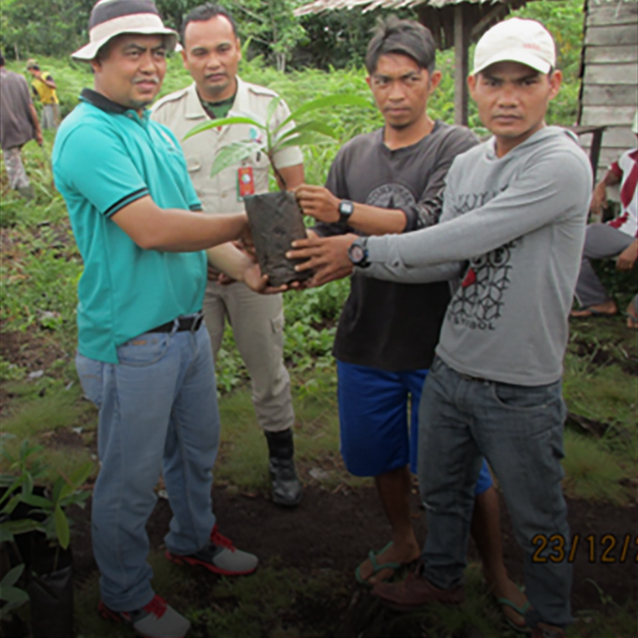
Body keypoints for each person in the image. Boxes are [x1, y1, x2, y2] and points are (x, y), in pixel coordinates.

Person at [313, 18, 591, 638]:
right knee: (442, 489)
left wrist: (357, 250)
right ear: (473, 85)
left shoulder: (560, 164)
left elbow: (466, 235)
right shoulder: (470, 166)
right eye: (495, 82)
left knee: (539, 514)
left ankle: (552, 615)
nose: (509, 97)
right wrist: (323, 263)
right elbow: (440, 259)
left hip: (519, 382)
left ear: (553, 85)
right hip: (451, 366)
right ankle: (440, 578)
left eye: (526, 82)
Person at [286, 17, 528, 631]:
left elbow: (431, 227)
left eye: (409, 80)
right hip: (368, 336)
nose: (396, 93)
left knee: (462, 470)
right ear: (369, 83)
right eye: (384, 81)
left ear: (434, 80)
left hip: (441, 343)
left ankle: (497, 570)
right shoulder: (353, 155)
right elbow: (330, 243)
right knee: (380, 456)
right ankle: (404, 541)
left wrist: (342, 211)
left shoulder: (459, 151)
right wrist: (281, 263)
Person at [51, 0, 278, 635]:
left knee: (197, 451)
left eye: (156, 51)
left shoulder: (152, 128)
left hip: (184, 329)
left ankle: (192, 538)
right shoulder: (88, 135)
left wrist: (248, 269)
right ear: (97, 60)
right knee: (129, 481)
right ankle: (123, 595)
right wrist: (251, 219)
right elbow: (151, 229)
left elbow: (191, 219)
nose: (149, 65)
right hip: (132, 340)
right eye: (132, 52)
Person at [152, 3, 304, 507]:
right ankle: (189, 477)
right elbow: (155, 204)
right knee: (190, 378)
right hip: (190, 274)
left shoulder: (269, 107)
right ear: (184, 57)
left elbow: (294, 190)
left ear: (239, 50)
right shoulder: (164, 116)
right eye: (200, 52)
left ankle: (282, 461)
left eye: (222, 48)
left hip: (254, 272)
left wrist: (274, 251)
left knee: (268, 373)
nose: (213, 61)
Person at [571, 110, 638, 329]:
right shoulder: (630, 157)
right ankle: (597, 301)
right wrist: (600, 186)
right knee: (569, 241)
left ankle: (635, 308)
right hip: (624, 229)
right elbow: (614, 173)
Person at [0, 51, 43, 200]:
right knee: (15, 161)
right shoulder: (20, 78)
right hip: (24, 129)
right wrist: (38, 131)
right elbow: (31, 107)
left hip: (8, 130)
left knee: (13, 166)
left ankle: (27, 198)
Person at [26, 58, 60, 129]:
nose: (29, 72)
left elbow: (53, 86)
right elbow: (33, 96)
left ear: (32, 69)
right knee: (43, 128)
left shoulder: (46, 75)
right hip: (44, 106)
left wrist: (42, 80)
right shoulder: (34, 83)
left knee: (53, 127)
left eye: (29, 70)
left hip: (52, 104)